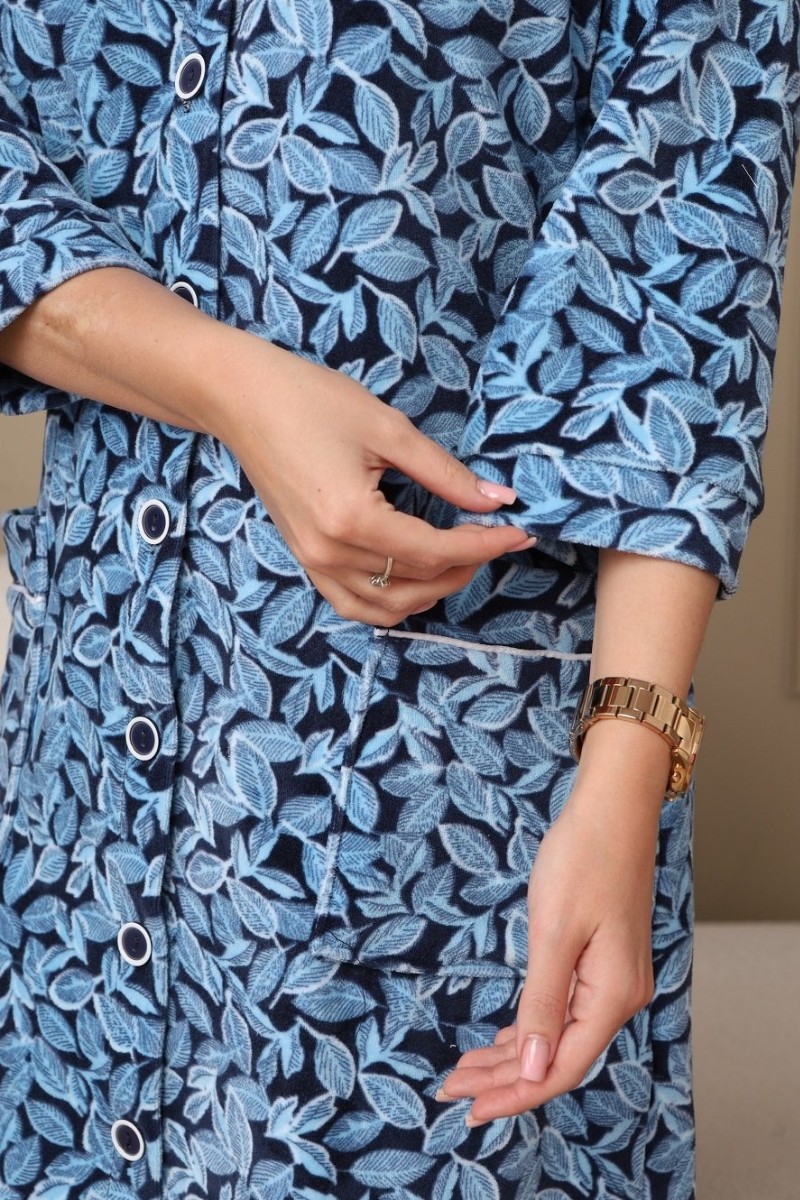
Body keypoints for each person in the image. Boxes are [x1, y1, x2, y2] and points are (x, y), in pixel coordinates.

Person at [0, 1, 796, 1196]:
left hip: (425, 804)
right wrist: (232, 387)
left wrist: (627, 772)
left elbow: (678, 277)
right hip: (83, 785)